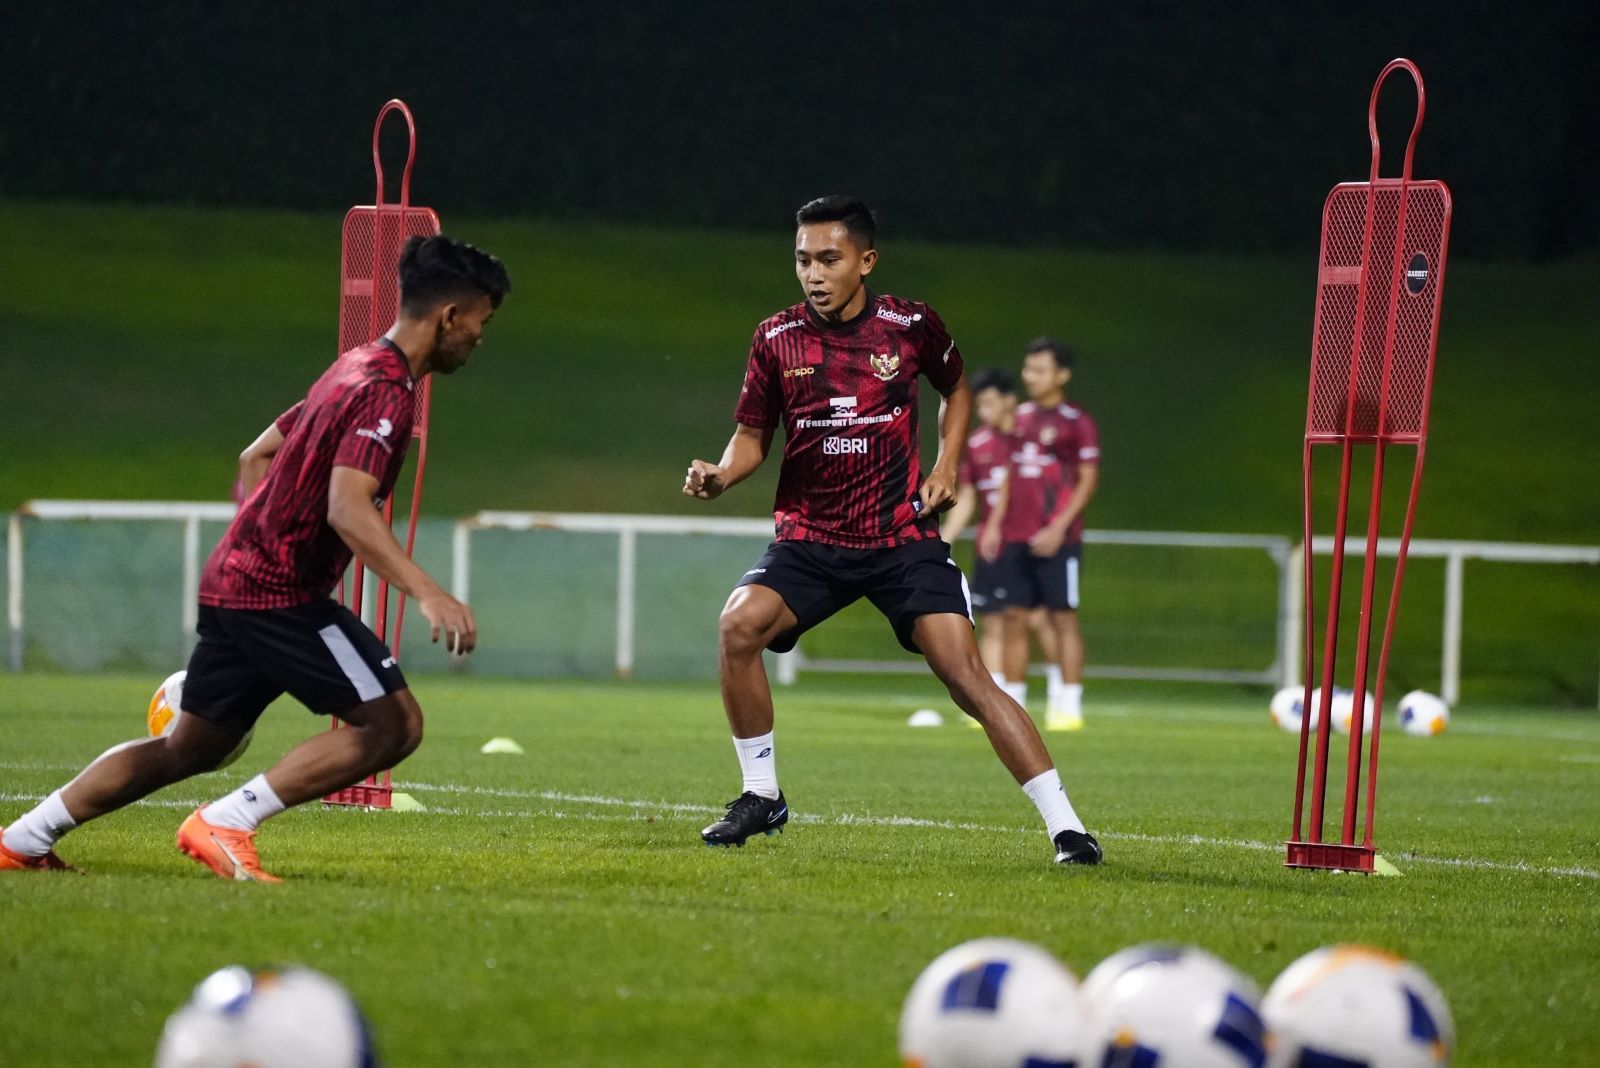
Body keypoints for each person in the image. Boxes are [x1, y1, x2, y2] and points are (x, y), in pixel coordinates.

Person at [1, 235, 510, 881]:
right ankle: (227, 822)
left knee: (190, 745)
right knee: (391, 724)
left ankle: (20, 839)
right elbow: (348, 508)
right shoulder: (385, 393)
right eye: (480, 322)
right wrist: (427, 591)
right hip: (279, 593)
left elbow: (256, 455)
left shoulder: (349, 368)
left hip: (235, 580)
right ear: (449, 317)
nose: (478, 338)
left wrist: (258, 530)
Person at [682, 195, 1100, 866]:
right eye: (802, 260)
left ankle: (1068, 828)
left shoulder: (910, 325)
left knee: (966, 675)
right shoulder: (775, 338)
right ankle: (761, 794)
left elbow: (956, 389)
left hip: (901, 541)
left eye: (828, 259)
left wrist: (947, 465)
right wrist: (720, 476)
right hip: (811, 540)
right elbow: (750, 439)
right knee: (738, 626)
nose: (813, 274)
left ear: (865, 261)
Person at [1000, 337, 1101, 731]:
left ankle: (1067, 705)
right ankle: (1013, 705)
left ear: (1062, 375)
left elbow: (1087, 480)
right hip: (1016, 537)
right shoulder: (1018, 419)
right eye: (1028, 369)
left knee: (1063, 619)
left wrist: (1058, 528)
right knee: (1013, 618)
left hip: (1060, 538)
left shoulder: (1077, 423)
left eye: (1040, 370)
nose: (1031, 377)